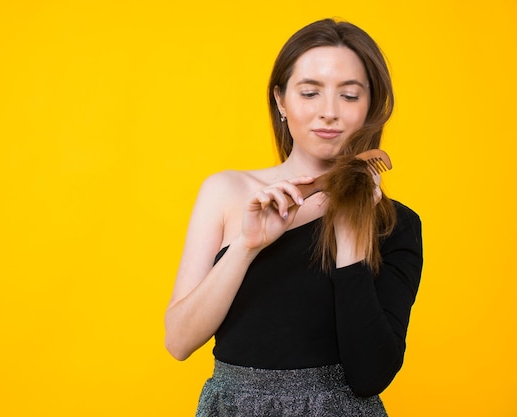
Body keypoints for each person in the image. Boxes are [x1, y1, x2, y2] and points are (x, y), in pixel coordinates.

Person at [164, 18, 423, 417]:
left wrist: (350, 239)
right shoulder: (226, 192)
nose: (329, 113)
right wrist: (248, 246)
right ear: (281, 101)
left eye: (350, 96)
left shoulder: (396, 224)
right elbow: (179, 342)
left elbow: (370, 375)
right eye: (310, 92)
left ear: (372, 106)